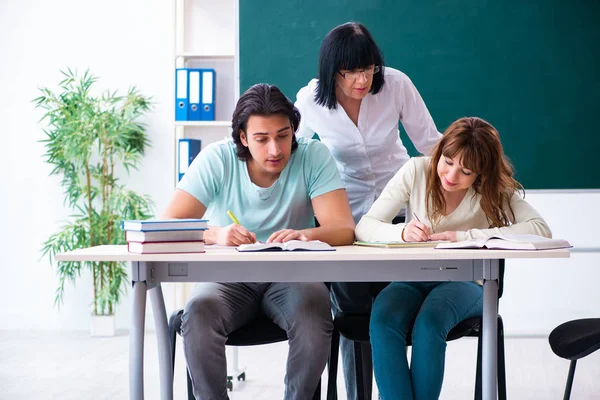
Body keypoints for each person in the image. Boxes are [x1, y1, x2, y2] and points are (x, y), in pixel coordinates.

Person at [162, 83, 355, 399]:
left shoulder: (312, 155)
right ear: (242, 138)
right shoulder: (217, 159)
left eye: (283, 135)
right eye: (262, 139)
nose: (275, 150)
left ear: (294, 129)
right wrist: (215, 234)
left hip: (293, 277)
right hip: (228, 279)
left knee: (314, 312)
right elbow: (168, 225)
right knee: (198, 313)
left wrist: (304, 234)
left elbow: (343, 228)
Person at [294, 21, 442, 398]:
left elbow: (431, 144)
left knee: (397, 312)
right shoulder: (310, 99)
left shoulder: (396, 84)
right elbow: (290, 156)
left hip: (400, 215)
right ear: (332, 70)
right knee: (352, 318)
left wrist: (476, 170)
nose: (363, 80)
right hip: (345, 220)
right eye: (352, 71)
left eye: (369, 69)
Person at [355, 117, 552, 399]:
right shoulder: (416, 170)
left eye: (466, 171)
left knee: (430, 322)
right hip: (411, 278)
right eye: (447, 161)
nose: (451, 175)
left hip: (466, 282)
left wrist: (465, 237)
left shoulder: (493, 187)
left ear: (481, 174)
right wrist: (402, 232)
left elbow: (540, 230)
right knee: (383, 318)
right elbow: (366, 225)